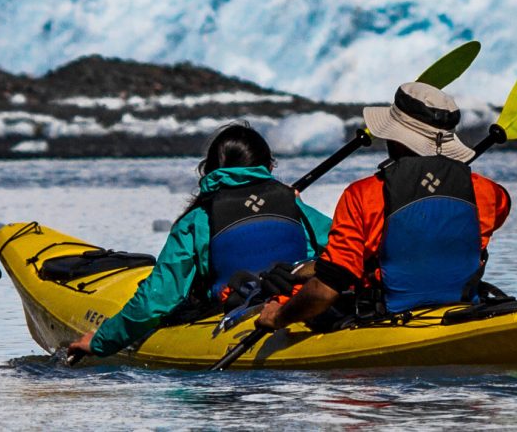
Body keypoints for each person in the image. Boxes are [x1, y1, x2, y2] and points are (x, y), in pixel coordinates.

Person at [255, 81, 509, 332]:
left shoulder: (362, 195)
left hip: (385, 316)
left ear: (396, 138)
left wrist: (278, 317)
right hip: (461, 306)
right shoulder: (490, 193)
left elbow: (327, 289)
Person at [64, 123, 330, 360]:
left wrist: (101, 342)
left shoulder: (197, 220)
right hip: (298, 306)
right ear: (269, 167)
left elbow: (156, 300)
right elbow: (345, 250)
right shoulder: (298, 209)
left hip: (233, 314)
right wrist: (294, 208)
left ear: (208, 171)